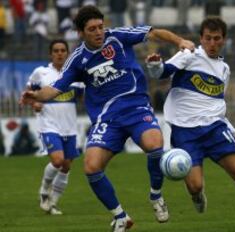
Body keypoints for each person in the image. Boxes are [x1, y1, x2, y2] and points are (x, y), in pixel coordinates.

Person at [20, 5, 195, 232]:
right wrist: (36, 95)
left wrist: (180, 41)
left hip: (136, 107)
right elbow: (54, 89)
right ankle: (120, 217)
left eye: (101, 26)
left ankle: (156, 196)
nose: (99, 32)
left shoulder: (118, 37)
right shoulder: (78, 60)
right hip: (107, 120)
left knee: (155, 146)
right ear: (81, 33)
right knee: (91, 167)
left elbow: (153, 32)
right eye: (92, 29)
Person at [145, 16, 235, 232]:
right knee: (195, 185)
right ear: (201, 38)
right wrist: (155, 64)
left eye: (217, 39)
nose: (212, 43)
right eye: (208, 38)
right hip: (185, 131)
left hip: (214, 129)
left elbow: (216, 104)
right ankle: (197, 195)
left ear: (224, 40)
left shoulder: (224, 69)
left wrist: (233, 129)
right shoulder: (188, 55)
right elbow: (162, 72)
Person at [26, 39, 83, 215]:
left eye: (63, 50)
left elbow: (80, 98)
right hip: (48, 124)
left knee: (66, 166)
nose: (59, 53)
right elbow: (28, 93)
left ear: (67, 54)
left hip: (70, 127)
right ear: (51, 54)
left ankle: (53, 204)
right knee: (57, 161)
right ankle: (44, 192)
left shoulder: (76, 75)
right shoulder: (41, 73)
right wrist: (33, 102)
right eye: (56, 50)